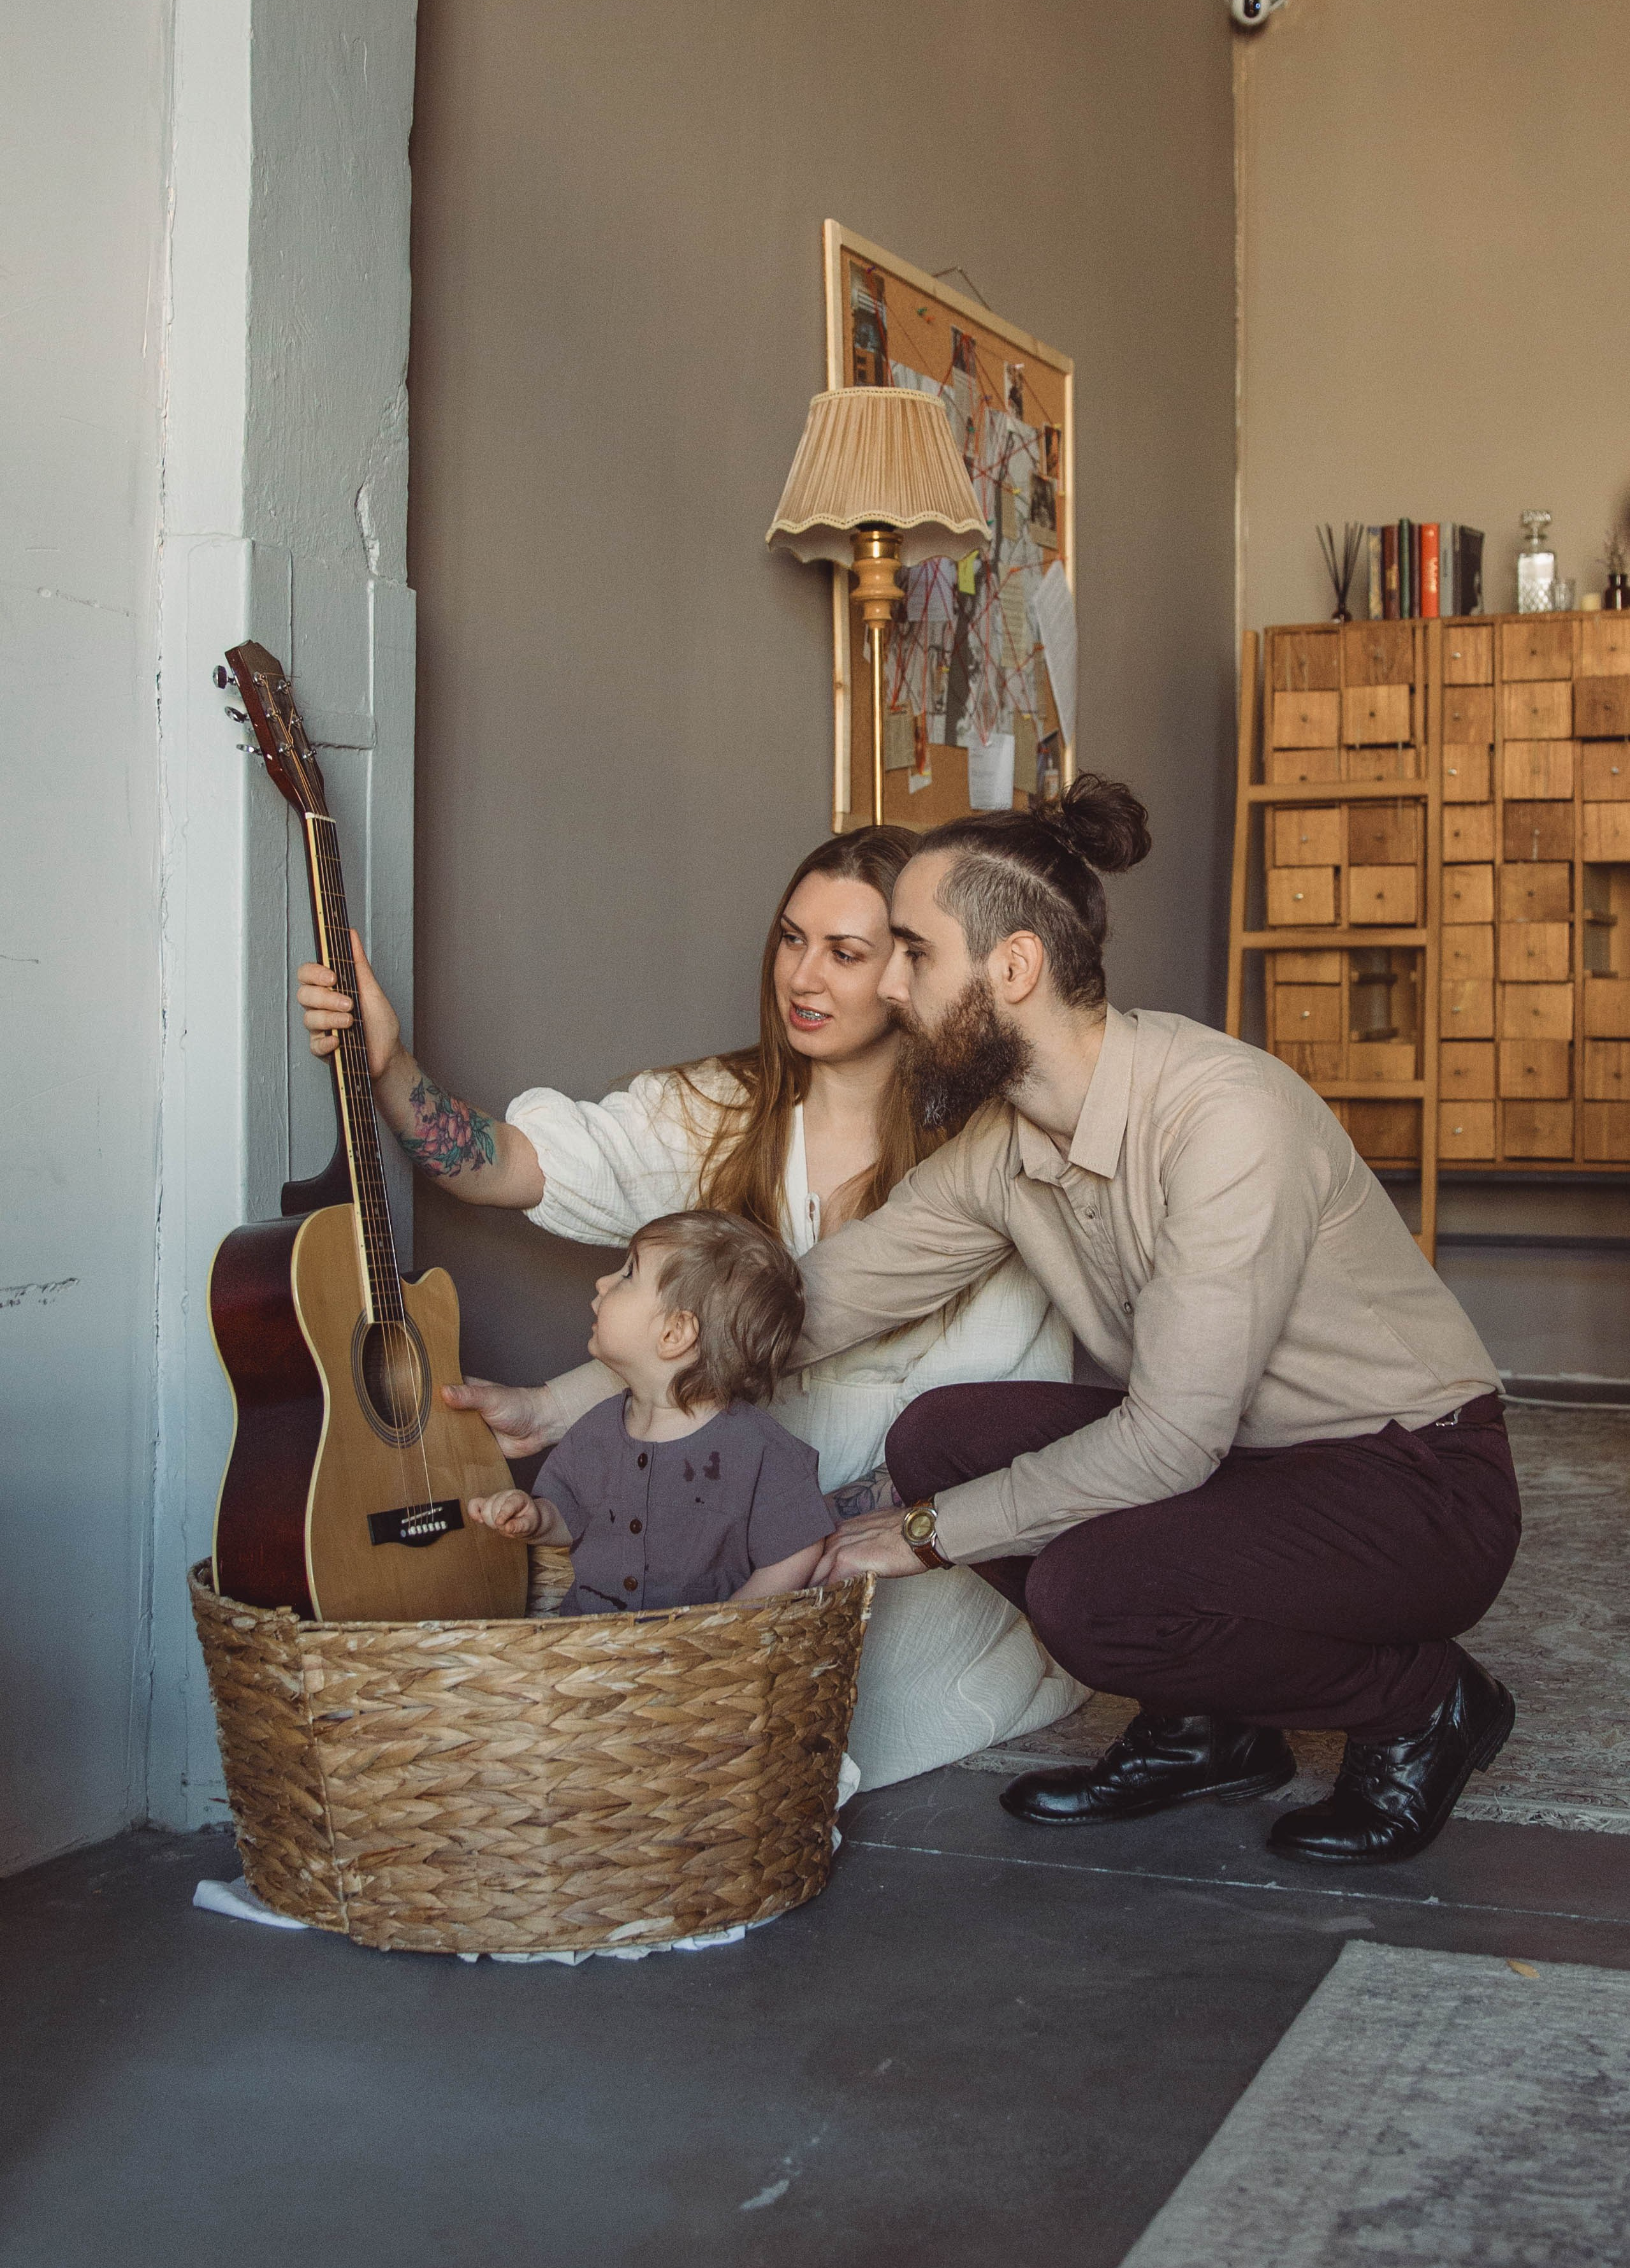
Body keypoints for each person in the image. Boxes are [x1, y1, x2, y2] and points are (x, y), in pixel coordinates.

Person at [802, 775, 1522, 1867]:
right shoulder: (1009, 1143)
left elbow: (1174, 1438)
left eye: (913, 951)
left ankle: (1421, 1701)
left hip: (1416, 1485)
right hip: (1256, 1468)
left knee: (1090, 1595)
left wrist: (919, 1534)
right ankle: (1208, 1726)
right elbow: (830, 1293)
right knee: (938, 1438)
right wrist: (597, 1377)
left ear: (1013, 968)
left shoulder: (1223, 1115)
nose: (892, 987)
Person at [295, 826, 1084, 1784]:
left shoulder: (987, 1162)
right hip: (701, 1530)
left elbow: (983, 1420)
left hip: (894, 1545)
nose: (802, 976)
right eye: (791, 939)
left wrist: (774, 1537)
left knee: (779, 1756)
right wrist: (387, 1064)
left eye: (846, 953)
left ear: (910, 969)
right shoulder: (717, 1110)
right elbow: (503, 1165)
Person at [470, 1210, 834, 1616]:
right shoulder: (598, 1428)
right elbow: (571, 1513)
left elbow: (799, 1547)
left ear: (674, 1334)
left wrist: (732, 1624)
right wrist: (537, 1518)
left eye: (628, 1274)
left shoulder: (760, 1450)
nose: (603, 1282)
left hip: (699, 1665)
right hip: (589, 1645)